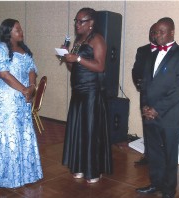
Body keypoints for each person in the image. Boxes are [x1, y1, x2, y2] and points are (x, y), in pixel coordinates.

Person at [136, 17, 179, 198]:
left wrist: (157, 109)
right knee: (154, 154)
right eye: (155, 32)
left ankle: (169, 190)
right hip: (150, 114)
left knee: (169, 155)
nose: (157, 35)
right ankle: (155, 183)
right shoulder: (150, 54)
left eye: (161, 32)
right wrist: (145, 106)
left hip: (170, 115)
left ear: (171, 33)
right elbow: (144, 84)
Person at [0, 18, 43, 188]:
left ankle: (24, 173)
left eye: (21, 28)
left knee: (23, 131)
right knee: (8, 132)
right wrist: (24, 90)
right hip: (9, 97)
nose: (21, 31)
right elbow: (3, 74)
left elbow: (32, 69)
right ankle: (6, 174)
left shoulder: (24, 50)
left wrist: (31, 87)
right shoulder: (0, 49)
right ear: (8, 32)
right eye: (17, 29)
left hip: (23, 97)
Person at [62, 7, 112, 184]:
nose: (77, 24)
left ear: (91, 23)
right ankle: (79, 167)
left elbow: (100, 66)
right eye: (76, 21)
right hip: (77, 91)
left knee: (90, 131)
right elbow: (74, 67)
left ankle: (93, 170)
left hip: (91, 92)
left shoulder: (97, 39)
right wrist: (68, 58)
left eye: (80, 21)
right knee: (79, 130)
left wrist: (77, 58)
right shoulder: (78, 40)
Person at [132, 23, 157, 166]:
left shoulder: (166, 51)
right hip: (146, 94)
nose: (153, 35)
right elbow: (135, 70)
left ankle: (159, 157)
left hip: (161, 97)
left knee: (159, 127)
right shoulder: (142, 50)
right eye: (151, 32)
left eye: (156, 32)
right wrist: (138, 84)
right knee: (147, 125)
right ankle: (147, 155)